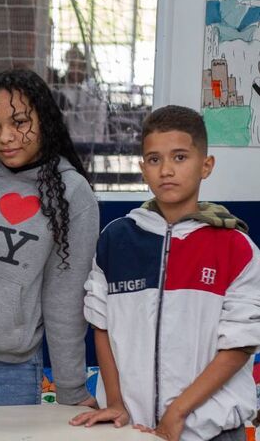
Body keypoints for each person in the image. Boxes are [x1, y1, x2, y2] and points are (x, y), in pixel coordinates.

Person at [71, 105, 260, 441]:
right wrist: (115, 402)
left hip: (211, 431)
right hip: (132, 429)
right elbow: (101, 325)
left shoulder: (237, 247)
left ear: (206, 165)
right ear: (143, 169)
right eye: (155, 160)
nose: (167, 170)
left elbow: (239, 345)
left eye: (180, 157)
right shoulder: (115, 240)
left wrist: (177, 413)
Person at [0, 68, 99, 408]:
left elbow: (64, 300)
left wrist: (71, 389)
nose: (5, 137)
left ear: (44, 120)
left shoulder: (72, 193)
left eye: (20, 122)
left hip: (6, 372)